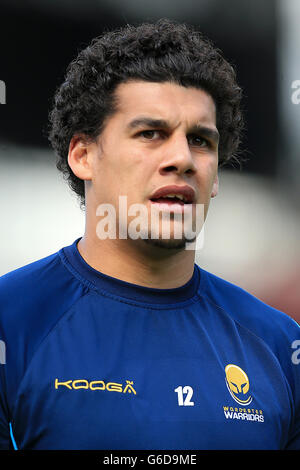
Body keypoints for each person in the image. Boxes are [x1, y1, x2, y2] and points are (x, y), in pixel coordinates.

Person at [0, 19, 299, 451]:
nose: (181, 158)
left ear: (216, 176)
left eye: (200, 140)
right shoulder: (13, 324)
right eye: (150, 133)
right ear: (83, 155)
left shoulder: (280, 346)